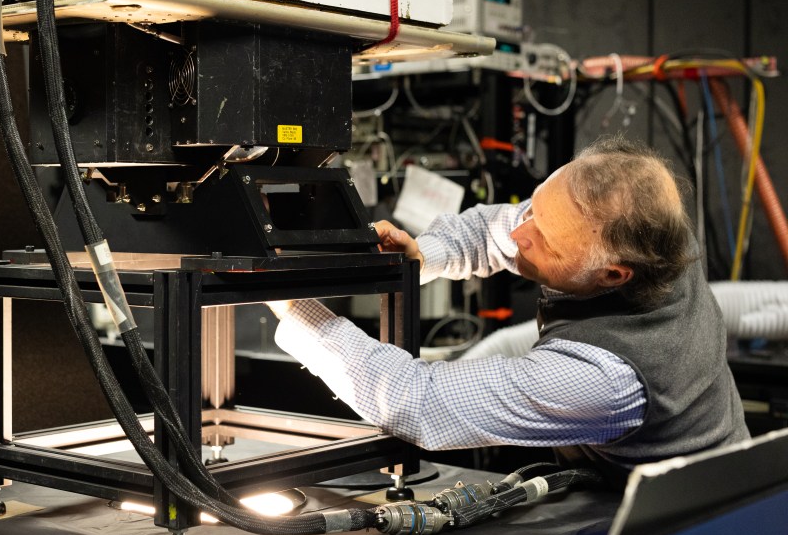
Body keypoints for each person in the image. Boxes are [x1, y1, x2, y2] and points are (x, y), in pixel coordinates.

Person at [268, 136, 749, 486]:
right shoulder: (655, 230)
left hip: (687, 528)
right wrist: (425, 256)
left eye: (549, 240)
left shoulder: (609, 377)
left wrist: (293, 305)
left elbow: (418, 403)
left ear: (613, 275)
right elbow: (496, 228)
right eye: (536, 208)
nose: (522, 233)